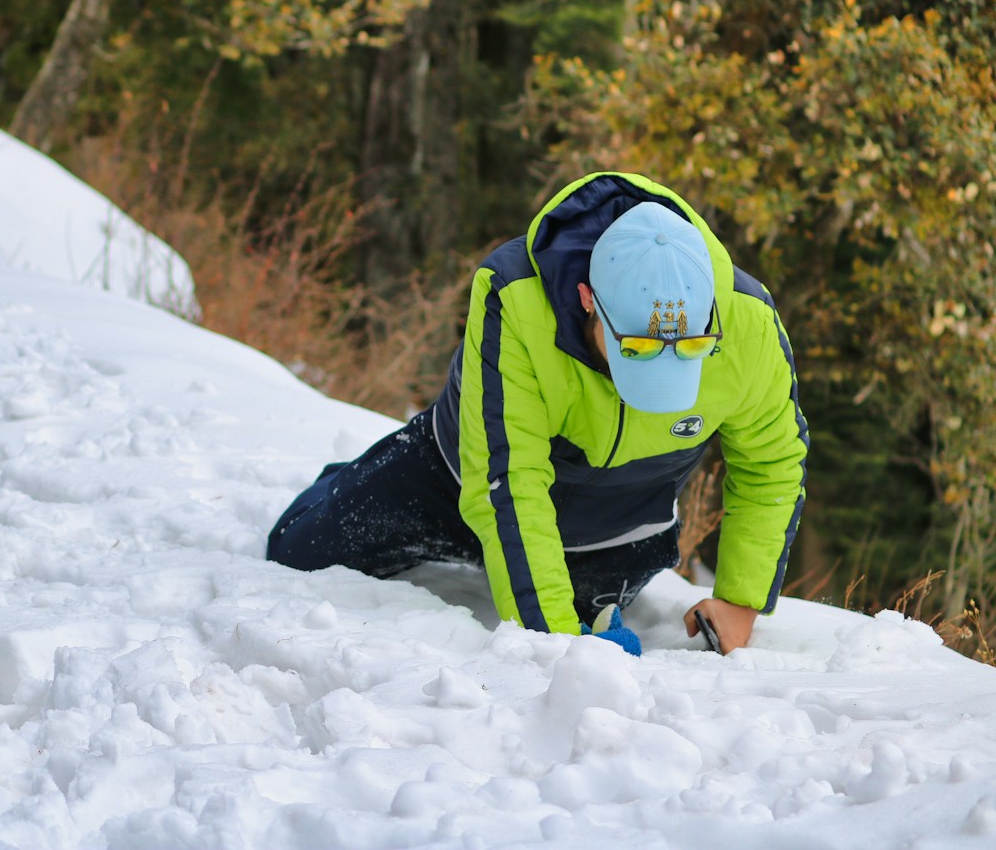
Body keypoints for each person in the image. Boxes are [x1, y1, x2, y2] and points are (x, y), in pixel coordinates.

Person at [267, 172, 808, 655]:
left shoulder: (751, 325)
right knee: (297, 549)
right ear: (588, 299)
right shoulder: (516, 298)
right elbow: (510, 477)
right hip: (460, 477)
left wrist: (741, 601)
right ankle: (351, 481)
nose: (663, 374)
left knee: (591, 623)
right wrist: (553, 642)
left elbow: (771, 466)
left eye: (690, 349)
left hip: (619, 520)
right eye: (637, 351)